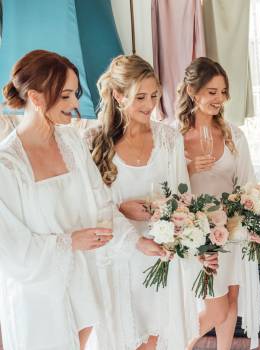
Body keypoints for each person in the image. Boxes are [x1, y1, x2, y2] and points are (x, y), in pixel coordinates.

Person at [0, 50, 122, 349]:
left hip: (81, 280)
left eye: (74, 94)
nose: (75, 105)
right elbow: (12, 248)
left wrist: (129, 230)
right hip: (38, 296)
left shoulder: (71, 141)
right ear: (36, 97)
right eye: (66, 96)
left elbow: (100, 199)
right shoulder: (7, 164)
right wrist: (70, 242)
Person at [86, 54, 192, 350]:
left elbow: (183, 197)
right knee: (122, 338)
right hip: (116, 256)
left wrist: (173, 221)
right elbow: (92, 207)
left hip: (158, 252)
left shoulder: (170, 138)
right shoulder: (93, 140)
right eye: (141, 97)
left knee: (156, 337)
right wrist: (125, 216)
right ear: (118, 95)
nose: (150, 105)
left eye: (155, 95)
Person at [176, 56, 260, 350]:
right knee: (214, 307)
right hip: (195, 235)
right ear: (192, 91)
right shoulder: (173, 137)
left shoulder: (234, 135)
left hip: (232, 230)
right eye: (211, 92)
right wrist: (189, 170)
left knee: (231, 300)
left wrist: (248, 214)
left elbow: (247, 182)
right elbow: (164, 188)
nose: (219, 99)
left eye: (222, 92)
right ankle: (176, 343)